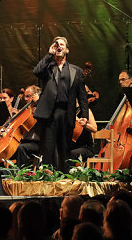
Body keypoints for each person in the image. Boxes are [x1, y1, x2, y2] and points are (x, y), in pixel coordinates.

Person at [32, 36, 89, 170]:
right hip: (49, 114)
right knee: (48, 148)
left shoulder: (77, 71)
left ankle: (64, 178)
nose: (59, 46)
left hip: (66, 112)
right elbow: (36, 71)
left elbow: (82, 96)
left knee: (65, 148)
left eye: (62, 44)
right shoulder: (48, 68)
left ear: (67, 50)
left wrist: (84, 115)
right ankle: (47, 177)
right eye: (56, 44)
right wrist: (49, 54)